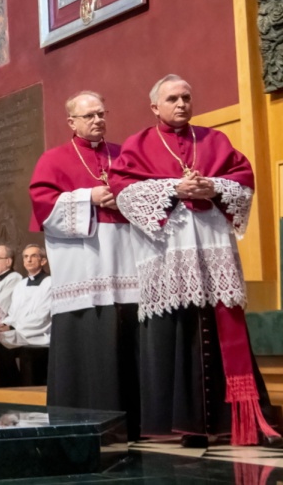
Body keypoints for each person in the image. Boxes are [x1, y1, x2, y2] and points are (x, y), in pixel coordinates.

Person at [109, 74, 281, 448]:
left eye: (186, 97)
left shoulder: (214, 139)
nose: (182, 104)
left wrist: (214, 187)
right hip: (170, 254)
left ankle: (237, 418)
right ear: (155, 106)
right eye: (172, 98)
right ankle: (183, 422)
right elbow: (123, 189)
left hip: (212, 247)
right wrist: (174, 188)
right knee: (178, 331)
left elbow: (243, 178)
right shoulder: (139, 144)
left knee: (222, 325)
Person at [29, 91, 140, 439]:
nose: (97, 120)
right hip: (85, 259)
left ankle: (136, 419)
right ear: (72, 122)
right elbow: (43, 205)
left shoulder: (124, 155)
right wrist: (88, 197)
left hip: (126, 254)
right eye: (88, 116)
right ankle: (81, 417)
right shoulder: (53, 159)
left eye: (101, 114)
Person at [0, 245, 52, 386]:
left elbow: (42, 316)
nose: (29, 259)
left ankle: (17, 385)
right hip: (19, 330)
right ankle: (8, 386)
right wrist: (5, 324)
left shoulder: (49, 283)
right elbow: (13, 312)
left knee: (4, 342)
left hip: (38, 335)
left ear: (43, 261)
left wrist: (13, 326)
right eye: (26, 257)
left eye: (33, 256)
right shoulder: (20, 285)